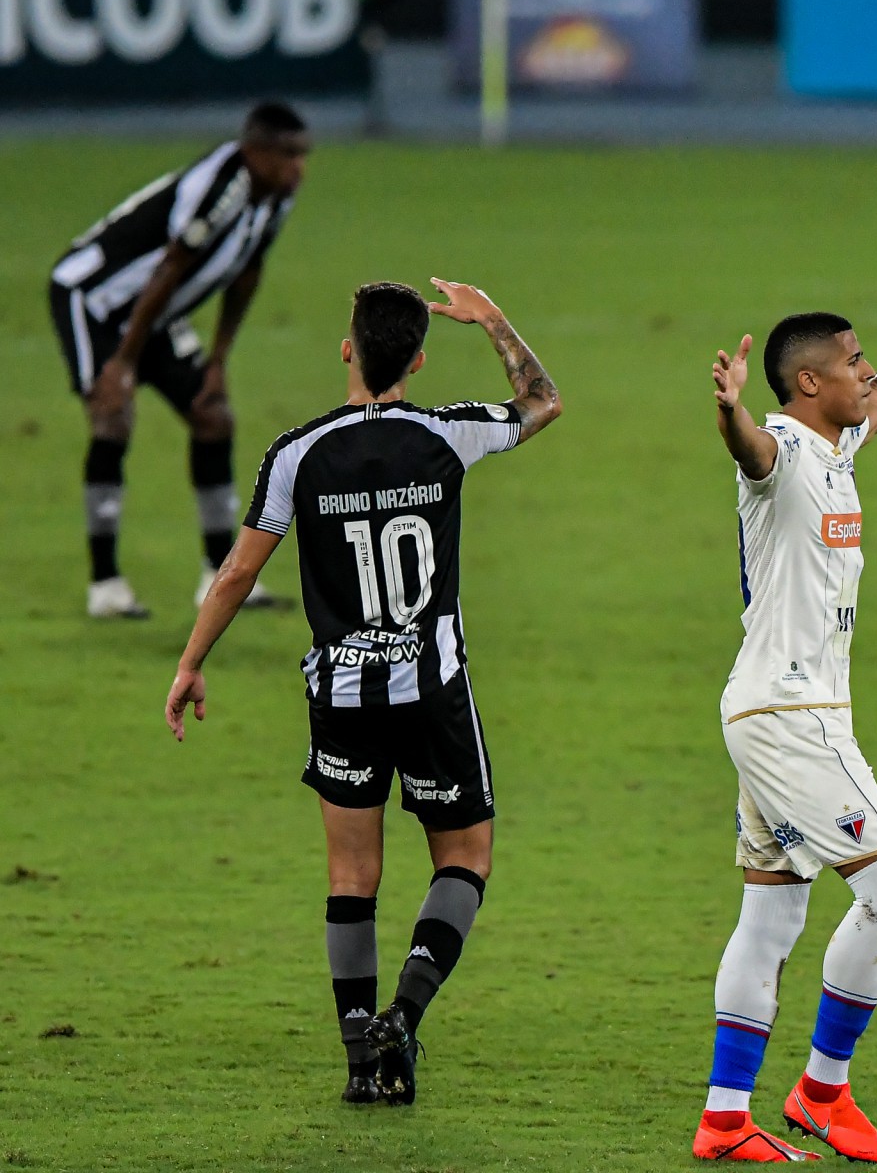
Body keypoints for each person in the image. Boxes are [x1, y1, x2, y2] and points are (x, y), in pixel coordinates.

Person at [164, 279, 562, 1106]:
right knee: (465, 858)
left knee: (352, 875)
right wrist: (490, 316)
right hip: (433, 692)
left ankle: (358, 1065)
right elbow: (542, 401)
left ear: (348, 350)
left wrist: (191, 661)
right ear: (417, 359)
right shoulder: (447, 433)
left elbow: (240, 570)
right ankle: (403, 1019)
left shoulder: (297, 453)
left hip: (342, 698)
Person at [693, 291, 877, 1162]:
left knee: (770, 920)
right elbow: (751, 451)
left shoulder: (839, 443)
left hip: (782, 710)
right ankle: (821, 1093)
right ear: (807, 381)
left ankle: (725, 1121)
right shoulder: (779, 454)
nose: (865, 369)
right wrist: (731, 411)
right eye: (851, 360)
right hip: (789, 715)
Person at [51, 102, 313, 616]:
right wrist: (123, 365)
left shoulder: (277, 195)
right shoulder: (220, 188)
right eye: (288, 156)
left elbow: (246, 273)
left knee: (212, 416)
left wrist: (217, 360)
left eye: (303, 156)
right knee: (113, 418)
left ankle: (219, 575)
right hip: (96, 300)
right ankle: (105, 585)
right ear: (255, 153)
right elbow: (169, 269)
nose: (299, 167)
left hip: (155, 313)